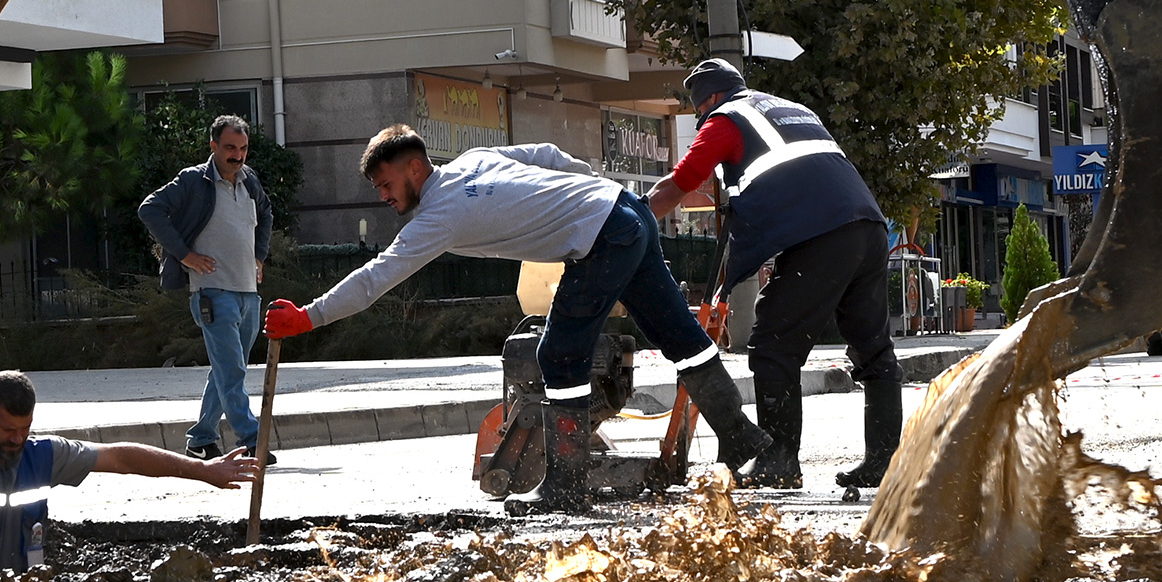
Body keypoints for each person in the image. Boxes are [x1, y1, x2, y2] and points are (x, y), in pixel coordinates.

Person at [267, 124, 771, 515]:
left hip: (602, 235)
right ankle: (741, 435)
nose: (383, 196)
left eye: (386, 184)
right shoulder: (473, 160)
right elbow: (550, 156)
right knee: (678, 335)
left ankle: (567, 487)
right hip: (626, 211)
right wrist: (597, 190)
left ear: (415, 167)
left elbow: (375, 278)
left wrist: (308, 317)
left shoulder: (438, 216)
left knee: (558, 353)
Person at [648, 57, 902, 495]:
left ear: (708, 99)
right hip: (868, 228)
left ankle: (779, 461)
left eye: (698, 110)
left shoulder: (725, 121)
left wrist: (629, 217)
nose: (700, 118)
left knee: (772, 346)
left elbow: (682, 181)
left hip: (823, 237)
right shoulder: (791, 109)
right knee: (874, 351)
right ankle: (884, 464)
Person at [0, 370, 257, 571]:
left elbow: (122, 458)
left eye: (25, 429)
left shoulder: (44, 455)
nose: (17, 439)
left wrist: (203, 470)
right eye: (7, 430)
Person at [136, 114, 274, 460]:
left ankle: (201, 438)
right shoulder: (193, 181)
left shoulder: (249, 181)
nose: (237, 155)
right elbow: (149, 209)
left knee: (226, 369)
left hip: (247, 292)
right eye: (230, 147)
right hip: (212, 292)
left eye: (243, 148)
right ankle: (252, 439)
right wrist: (185, 255)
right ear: (213, 146)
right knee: (232, 370)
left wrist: (259, 256)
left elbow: (267, 214)